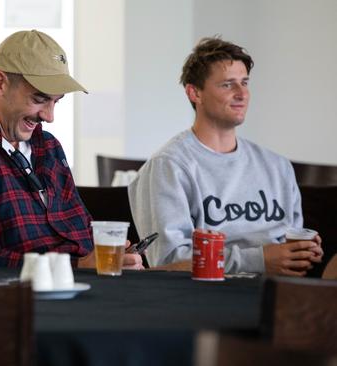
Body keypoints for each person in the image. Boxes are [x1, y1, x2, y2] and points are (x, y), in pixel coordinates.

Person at [0, 30, 142, 269]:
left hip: (83, 288)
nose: (49, 116)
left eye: (55, 102)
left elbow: (83, 236)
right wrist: (77, 266)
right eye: (39, 99)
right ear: (0, 83)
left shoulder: (48, 146)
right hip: (21, 300)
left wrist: (114, 259)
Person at [128, 37, 323, 276]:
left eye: (245, 82)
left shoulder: (277, 166)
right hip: (210, 300)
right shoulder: (168, 166)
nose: (242, 93)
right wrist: (259, 260)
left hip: (283, 296)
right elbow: (167, 262)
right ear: (194, 93)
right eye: (228, 84)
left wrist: (304, 251)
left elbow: (290, 243)